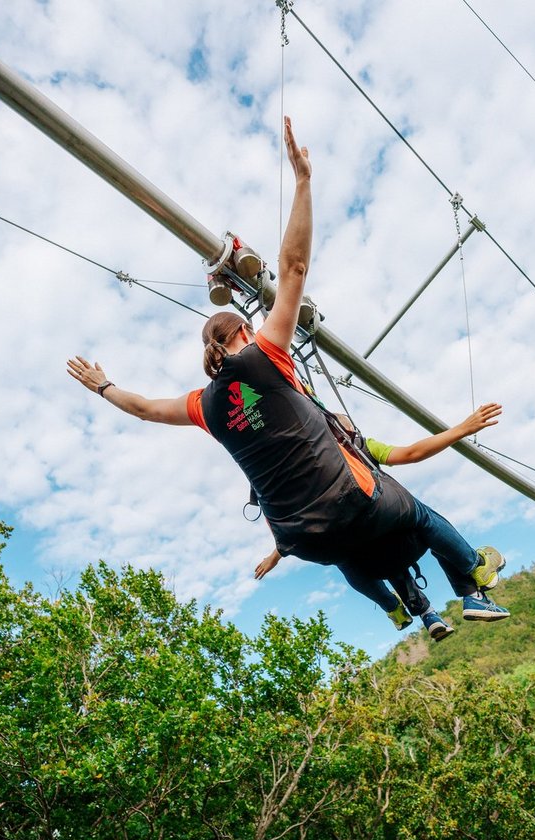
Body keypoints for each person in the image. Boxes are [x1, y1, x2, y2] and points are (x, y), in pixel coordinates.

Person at [66, 116, 510, 634]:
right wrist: (303, 182)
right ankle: (473, 579)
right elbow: (294, 267)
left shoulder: (203, 405)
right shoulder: (265, 357)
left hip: (305, 541)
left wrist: (104, 386)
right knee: (421, 516)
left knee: (366, 549)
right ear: (244, 332)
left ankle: (409, 606)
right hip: (349, 501)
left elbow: (144, 409)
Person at [253, 404, 505, 639]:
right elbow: (412, 453)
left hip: (369, 568)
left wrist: (276, 555)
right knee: (422, 519)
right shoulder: (359, 447)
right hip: (397, 542)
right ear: (347, 432)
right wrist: (462, 429)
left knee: (345, 552)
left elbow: (299, 528)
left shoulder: (311, 473)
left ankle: (412, 611)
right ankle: (474, 573)